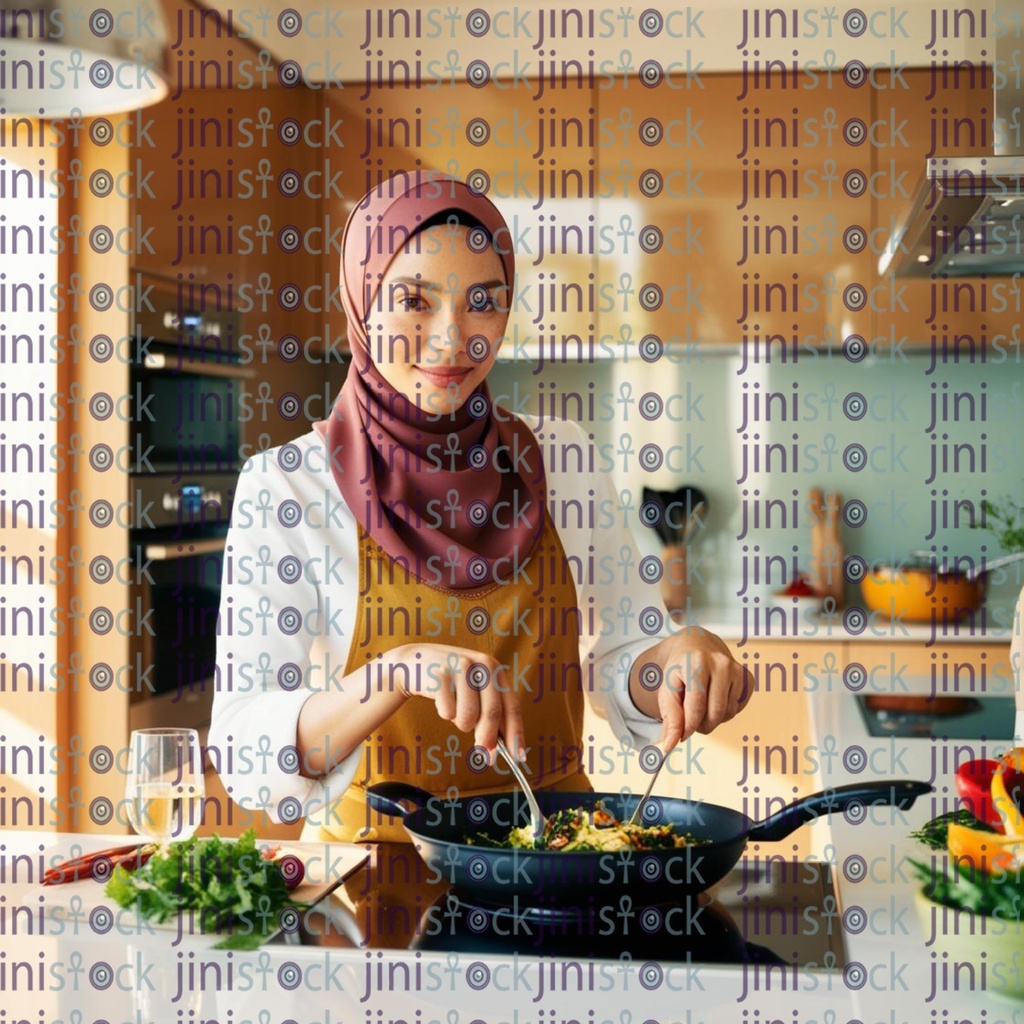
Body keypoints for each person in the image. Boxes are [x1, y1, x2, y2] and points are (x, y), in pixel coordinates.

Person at [209, 172, 752, 842]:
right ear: (361, 297)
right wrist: (394, 671)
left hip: (560, 858)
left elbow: (623, 664)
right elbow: (244, 749)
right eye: (414, 299)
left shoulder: (563, 457)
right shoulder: (289, 486)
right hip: (379, 876)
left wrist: (675, 661)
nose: (453, 338)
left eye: (483, 302)